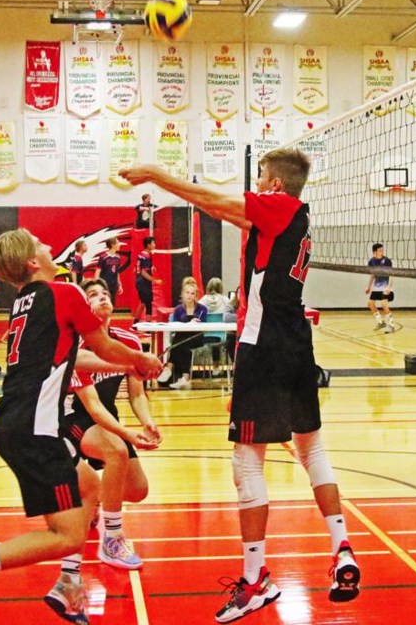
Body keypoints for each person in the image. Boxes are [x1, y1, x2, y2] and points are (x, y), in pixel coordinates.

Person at [120, 148, 362, 623]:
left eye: (259, 177)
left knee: (247, 461)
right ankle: (343, 550)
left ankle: (255, 582)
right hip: (294, 339)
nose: (253, 185)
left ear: (273, 184)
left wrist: (155, 174)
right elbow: (223, 211)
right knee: (311, 447)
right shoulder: (292, 219)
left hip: (265, 343)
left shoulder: (279, 207)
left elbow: (213, 201)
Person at [0, 228, 161, 625]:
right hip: (34, 427)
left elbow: (76, 360)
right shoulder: (63, 293)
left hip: (20, 421)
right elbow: (103, 346)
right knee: (67, 534)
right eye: (44, 244)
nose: (53, 246)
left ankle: (69, 585)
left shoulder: (25, 303)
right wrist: (141, 360)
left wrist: (129, 365)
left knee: (89, 486)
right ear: (33, 262)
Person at [64, 278, 162, 570]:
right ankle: (112, 538)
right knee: (117, 451)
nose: (102, 297)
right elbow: (92, 407)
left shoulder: (128, 342)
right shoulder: (75, 347)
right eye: (92, 295)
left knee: (138, 490)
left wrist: (147, 423)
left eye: (104, 293)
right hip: (73, 419)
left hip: (108, 419)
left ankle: (96, 502)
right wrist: (128, 436)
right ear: (83, 307)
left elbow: (136, 394)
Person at [155, 277, 208, 390]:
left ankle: (169, 367)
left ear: (196, 296)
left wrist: (193, 323)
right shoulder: (178, 309)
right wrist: (188, 322)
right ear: (183, 294)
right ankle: (184, 378)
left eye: (192, 293)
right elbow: (175, 325)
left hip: (196, 338)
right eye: (187, 293)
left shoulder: (202, 308)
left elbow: (203, 324)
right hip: (183, 340)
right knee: (183, 343)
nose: (189, 296)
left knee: (180, 341)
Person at [365, 243, 394, 333]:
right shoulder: (372, 262)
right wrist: (369, 286)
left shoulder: (387, 261)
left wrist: (389, 287)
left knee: (383, 303)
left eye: (382, 250)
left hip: (386, 286)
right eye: (380, 250)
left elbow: (391, 274)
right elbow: (372, 275)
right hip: (377, 287)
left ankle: (391, 325)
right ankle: (380, 322)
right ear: (375, 252)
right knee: (370, 304)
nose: (382, 251)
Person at [133, 236, 160, 323]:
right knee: (146, 304)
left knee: (145, 303)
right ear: (148, 245)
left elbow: (139, 269)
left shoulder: (143, 255)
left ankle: (138, 323)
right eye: (153, 243)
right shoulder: (146, 256)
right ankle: (144, 325)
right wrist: (155, 280)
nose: (155, 245)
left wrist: (151, 268)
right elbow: (143, 272)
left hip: (141, 282)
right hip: (143, 283)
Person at [94, 237, 123, 307]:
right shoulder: (103, 257)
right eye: (118, 243)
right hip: (104, 285)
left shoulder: (118, 257)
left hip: (114, 285)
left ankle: (109, 318)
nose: (119, 244)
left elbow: (117, 272)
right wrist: (96, 285)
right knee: (104, 305)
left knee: (112, 305)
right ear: (113, 245)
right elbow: (97, 272)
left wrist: (120, 284)